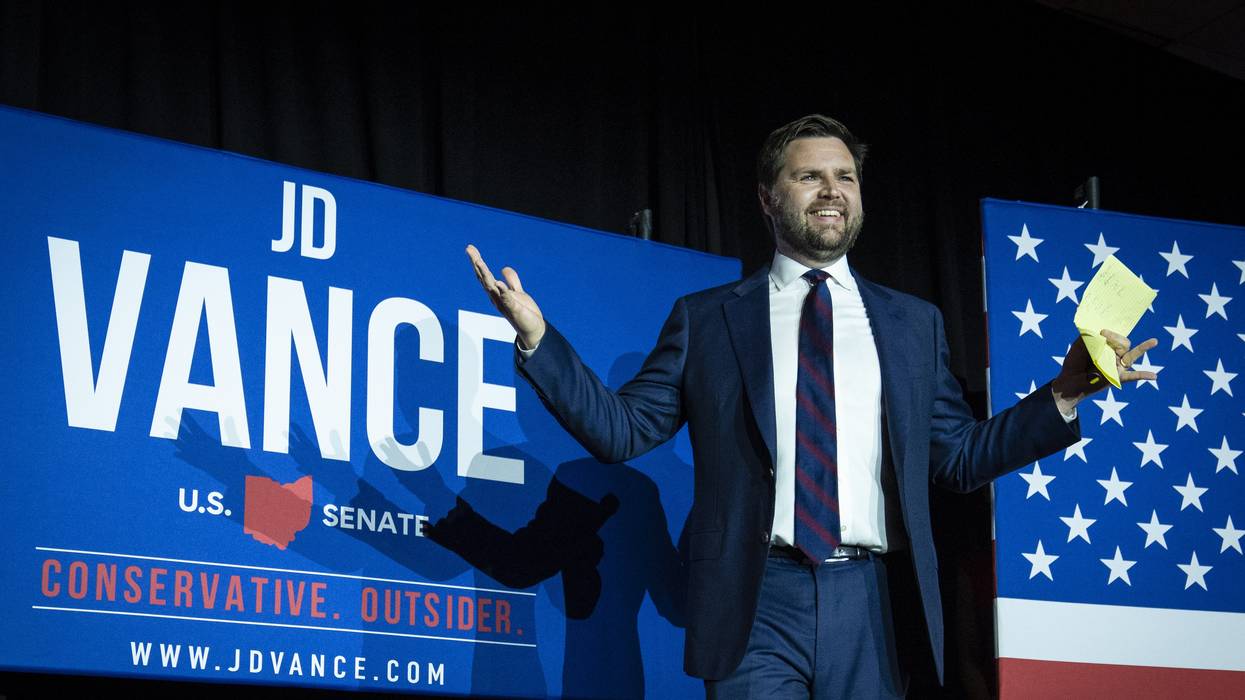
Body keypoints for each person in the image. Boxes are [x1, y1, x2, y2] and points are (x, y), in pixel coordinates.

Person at [465, 114, 1157, 698]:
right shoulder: (707, 320)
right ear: (768, 198)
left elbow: (957, 458)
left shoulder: (913, 324)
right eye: (809, 176)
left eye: (845, 177)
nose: (832, 190)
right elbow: (622, 430)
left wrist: (1063, 393)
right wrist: (538, 340)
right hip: (754, 600)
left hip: (875, 604)